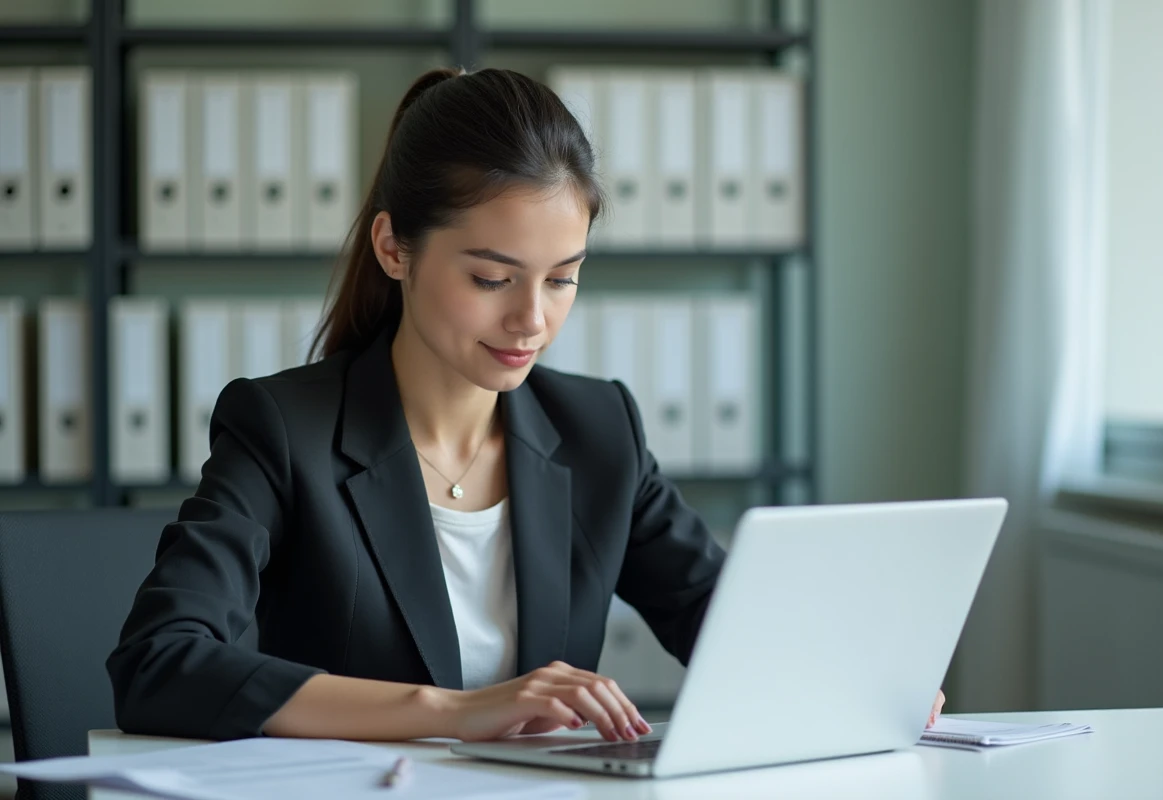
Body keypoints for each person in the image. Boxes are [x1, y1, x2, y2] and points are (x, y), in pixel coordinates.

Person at [107, 66, 945, 746]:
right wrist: (454, 713)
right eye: (491, 278)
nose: (532, 320)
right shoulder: (281, 430)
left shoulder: (597, 433)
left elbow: (724, 621)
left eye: (563, 278)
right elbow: (159, 663)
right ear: (393, 247)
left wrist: (863, 679)